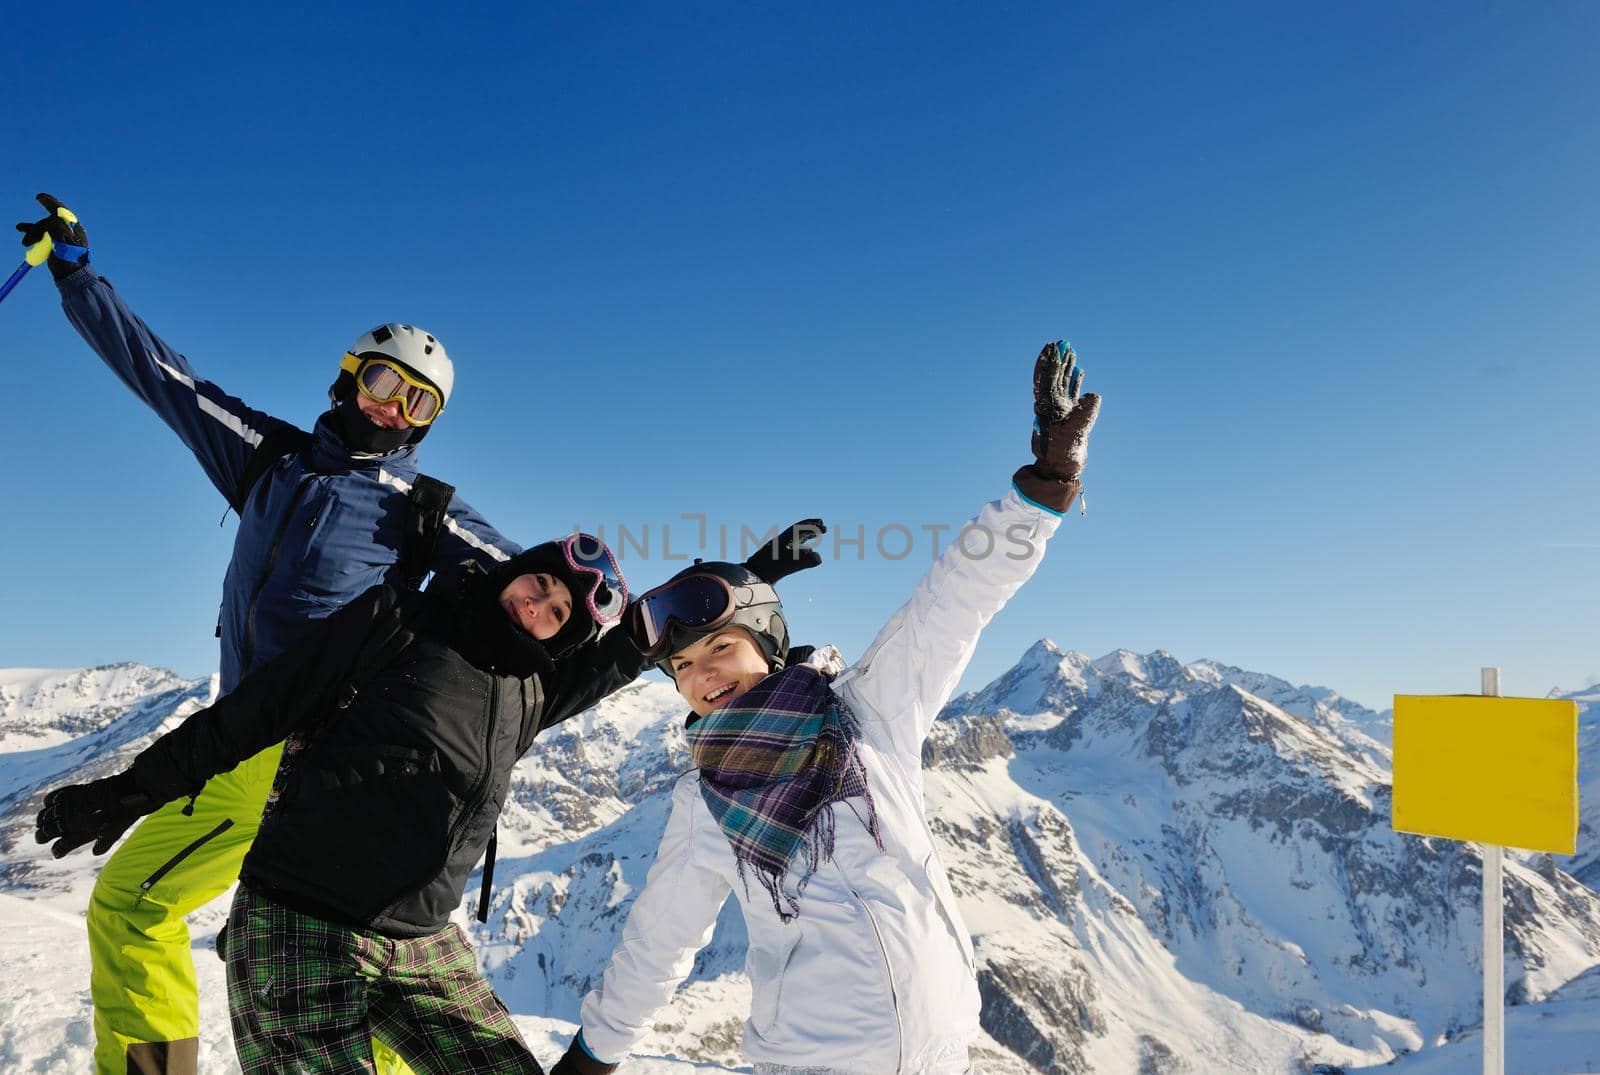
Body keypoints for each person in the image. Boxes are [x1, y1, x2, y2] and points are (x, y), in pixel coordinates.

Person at [17, 192, 517, 1074]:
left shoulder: (421, 511)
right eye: (383, 383)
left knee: (142, 904)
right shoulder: (268, 458)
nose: (393, 410)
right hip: (247, 735)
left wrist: (708, 612)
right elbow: (166, 380)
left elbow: (550, 588)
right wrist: (77, 275)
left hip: (301, 753)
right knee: (337, 948)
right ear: (348, 373)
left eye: (418, 405)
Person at [547, 341, 1102, 1075]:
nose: (702, 677)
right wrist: (592, 1059)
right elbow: (660, 942)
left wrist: (1042, 489)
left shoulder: (867, 713)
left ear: (769, 641)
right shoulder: (703, 801)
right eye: (681, 667)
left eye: (719, 650)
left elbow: (952, 604)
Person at [37, 535, 644, 1074]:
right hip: (299, 926)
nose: (538, 605)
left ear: (563, 637)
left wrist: (724, 591)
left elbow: (620, 655)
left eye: (559, 612)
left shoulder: (530, 692)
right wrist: (129, 791)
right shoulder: (400, 620)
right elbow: (255, 713)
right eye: (540, 582)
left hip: (424, 949)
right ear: (518, 568)